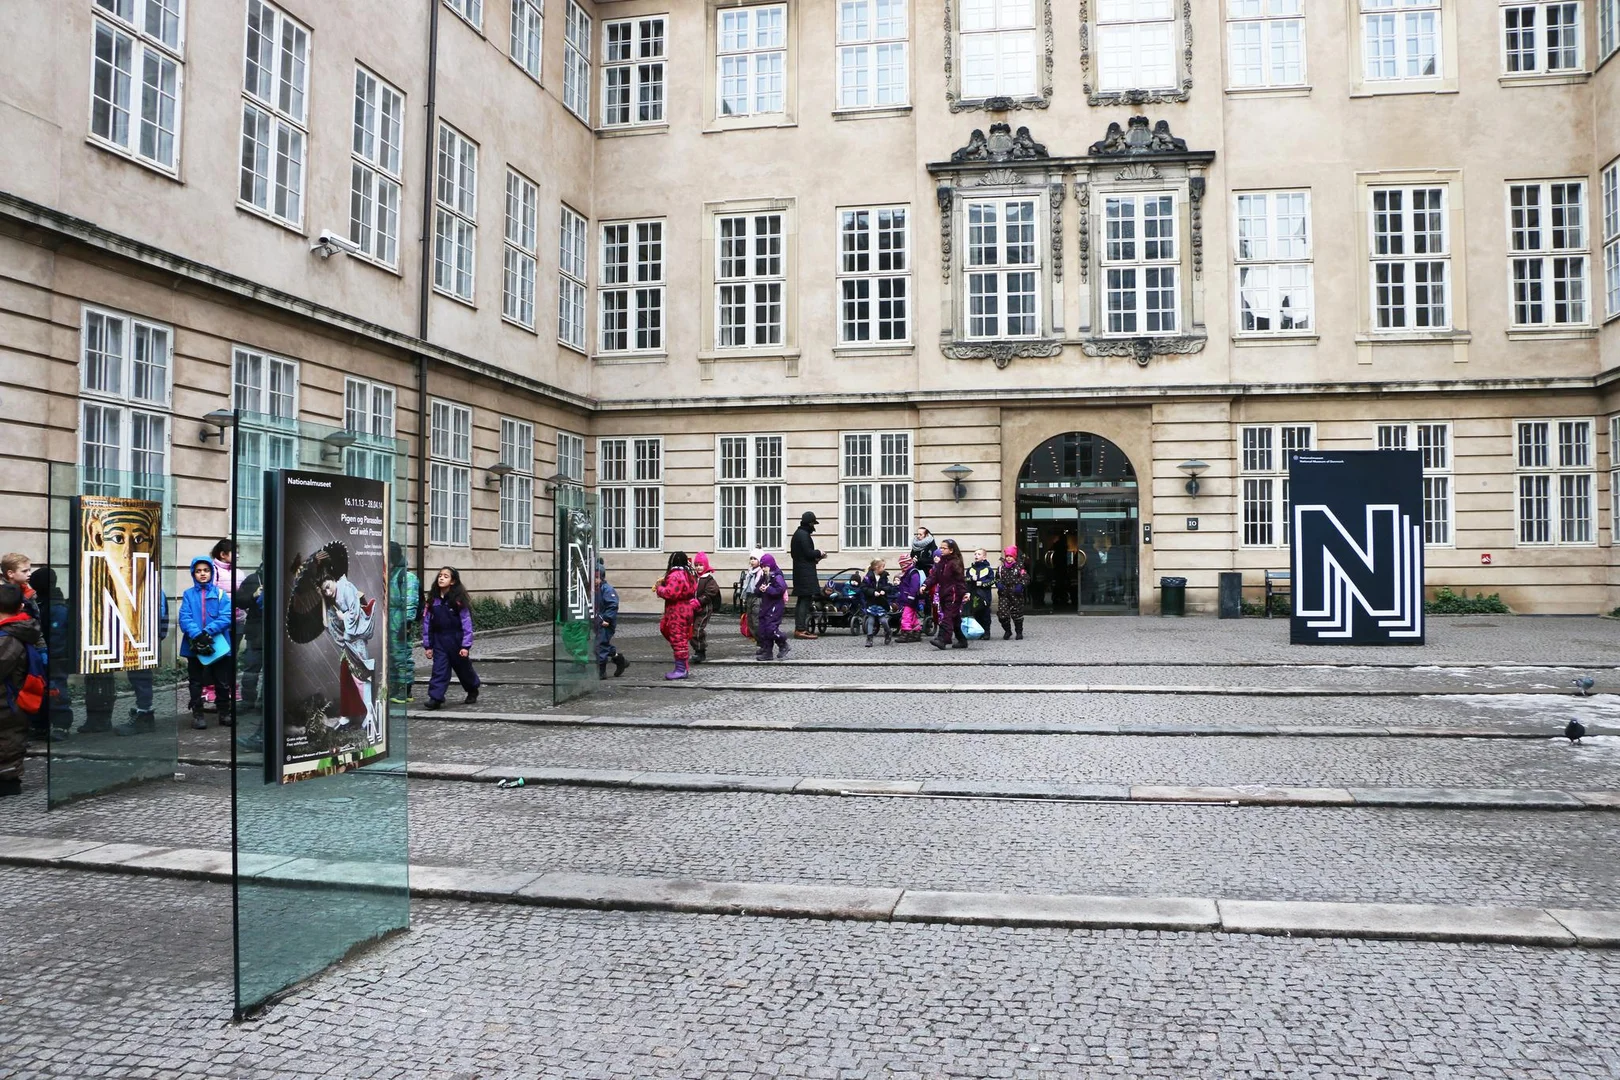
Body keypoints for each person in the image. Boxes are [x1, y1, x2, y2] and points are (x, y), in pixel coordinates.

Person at [178, 556, 233, 730]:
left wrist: (208, 632)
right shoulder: (188, 594)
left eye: (206, 570)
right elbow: (184, 617)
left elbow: (227, 616)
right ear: (193, 573)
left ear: (211, 572)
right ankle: (198, 715)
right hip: (194, 644)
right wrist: (197, 634)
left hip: (218, 644)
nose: (203, 574)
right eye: (199, 571)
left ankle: (224, 712)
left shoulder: (220, 594)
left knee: (222, 681)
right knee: (195, 681)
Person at [0, 582, 42, 796]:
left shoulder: (8, 636)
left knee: (9, 740)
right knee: (10, 738)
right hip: (10, 698)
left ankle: (9, 781)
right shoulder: (17, 629)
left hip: (8, 700)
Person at [422, 567, 479, 710]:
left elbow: (466, 623)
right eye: (440, 576)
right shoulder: (432, 601)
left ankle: (472, 689)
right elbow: (427, 624)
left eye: (446, 576)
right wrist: (428, 646)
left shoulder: (458, 601)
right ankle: (435, 698)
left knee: (464, 669)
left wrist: (465, 646)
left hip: (456, 641)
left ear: (453, 581)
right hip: (439, 641)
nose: (441, 578)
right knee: (439, 669)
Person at [25, 566, 70, 739]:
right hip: (43, 654)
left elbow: (58, 636)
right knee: (40, 689)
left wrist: (53, 655)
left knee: (56, 689)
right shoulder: (41, 603)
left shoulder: (56, 606)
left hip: (55, 656)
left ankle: (60, 725)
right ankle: (41, 725)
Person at [655, 552, 698, 680]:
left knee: (678, 639)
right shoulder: (688, 574)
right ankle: (684, 666)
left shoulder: (675, 575)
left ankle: (681, 669)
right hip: (687, 609)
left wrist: (659, 588)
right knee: (681, 638)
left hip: (677, 611)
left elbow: (670, 593)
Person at [387, 543, 420, 704]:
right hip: (390, 622)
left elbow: (410, 602)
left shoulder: (407, 577)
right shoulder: (391, 574)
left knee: (402, 656)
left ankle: (405, 689)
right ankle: (396, 687)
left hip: (399, 623)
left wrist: (406, 624)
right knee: (392, 657)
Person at [924, 538, 968, 650]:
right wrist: (925, 585)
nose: (941, 550)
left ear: (951, 550)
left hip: (954, 595)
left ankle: (942, 639)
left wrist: (964, 593)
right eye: (941, 548)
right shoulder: (941, 562)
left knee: (947, 618)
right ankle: (962, 640)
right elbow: (934, 576)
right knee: (954, 618)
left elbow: (960, 580)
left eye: (944, 548)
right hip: (944, 593)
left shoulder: (955, 563)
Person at [790, 511, 825, 639]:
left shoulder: (798, 534)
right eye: (813, 524)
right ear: (810, 523)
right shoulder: (803, 535)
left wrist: (815, 558)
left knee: (802, 600)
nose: (813, 526)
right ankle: (800, 629)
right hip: (805, 574)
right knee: (804, 601)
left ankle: (800, 628)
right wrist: (819, 552)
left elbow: (800, 556)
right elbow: (808, 553)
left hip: (801, 572)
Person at [594, 560, 628, 679]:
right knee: (599, 644)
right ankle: (619, 659)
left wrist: (606, 619)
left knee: (601, 644)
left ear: (601, 578)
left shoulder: (607, 589)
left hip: (605, 623)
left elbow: (612, 605)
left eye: (596, 578)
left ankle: (601, 670)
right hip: (598, 621)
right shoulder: (594, 589)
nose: (594, 580)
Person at [753, 553, 789, 661]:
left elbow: (780, 589)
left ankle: (783, 643)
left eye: (765, 566)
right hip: (765, 606)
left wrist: (768, 589)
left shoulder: (777, 576)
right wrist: (760, 589)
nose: (764, 569)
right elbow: (757, 589)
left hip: (775, 607)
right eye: (762, 567)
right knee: (763, 629)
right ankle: (767, 652)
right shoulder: (765, 577)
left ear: (771, 565)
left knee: (770, 629)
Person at [690, 552, 723, 664]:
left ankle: (701, 651)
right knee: (692, 630)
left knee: (698, 629)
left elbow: (711, 592)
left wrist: (699, 601)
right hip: (693, 608)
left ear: (705, 565)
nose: (698, 567)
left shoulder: (709, 579)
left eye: (701, 565)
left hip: (704, 609)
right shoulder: (693, 577)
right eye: (696, 565)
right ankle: (697, 649)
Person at [859, 559, 894, 647]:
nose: (884, 568)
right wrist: (873, 592)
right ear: (876, 567)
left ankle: (888, 632)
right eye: (882, 567)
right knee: (870, 620)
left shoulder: (884, 576)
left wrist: (884, 590)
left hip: (881, 602)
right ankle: (869, 638)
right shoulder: (868, 577)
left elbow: (888, 586)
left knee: (883, 620)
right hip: (871, 601)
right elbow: (863, 588)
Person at [997, 546, 1029, 641]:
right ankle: (1007, 630)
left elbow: (1026, 578)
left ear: (1014, 557)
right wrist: (998, 584)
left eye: (1011, 556)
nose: (1008, 558)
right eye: (1007, 556)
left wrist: (1021, 585)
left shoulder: (1020, 568)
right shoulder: (1001, 568)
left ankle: (1019, 632)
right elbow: (997, 578)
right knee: (1002, 615)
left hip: (1016, 594)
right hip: (1004, 594)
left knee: (1017, 614)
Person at [894, 554, 925, 643]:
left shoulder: (913, 573)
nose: (901, 567)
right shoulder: (908, 573)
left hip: (910, 599)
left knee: (906, 616)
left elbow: (914, 587)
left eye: (902, 564)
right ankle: (916, 632)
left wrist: (910, 598)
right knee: (912, 616)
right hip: (907, 599)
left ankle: (905, 633)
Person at [967, 548, 996, 639]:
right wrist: (971, 579)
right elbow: (966, 580)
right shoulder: (970, 569)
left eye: (979, 554)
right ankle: (980, 631)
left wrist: (982, 583)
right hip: (974, 594)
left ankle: (987, 631)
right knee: (976, 613)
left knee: (985, 614)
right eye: (975, 554)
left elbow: (992, 581)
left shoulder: (988, 569)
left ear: (984, 557)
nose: (976, 555)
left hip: (984, 595)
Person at [2, 553, 40, 623]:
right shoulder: (3, 594)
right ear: (10, 573)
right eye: (24, 571)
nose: (29, 574)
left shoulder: (28, 592)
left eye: (29, 570)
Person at [740, 548, 765, 641]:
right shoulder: (750, 571)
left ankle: (761, 639)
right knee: (749, 618)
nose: (752, 561)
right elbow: (747, 585)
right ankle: (756, 637)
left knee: (756, 618)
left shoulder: (761, 571)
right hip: (750, 596)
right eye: (751, 558)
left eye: (755, 559)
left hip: (757, 597)